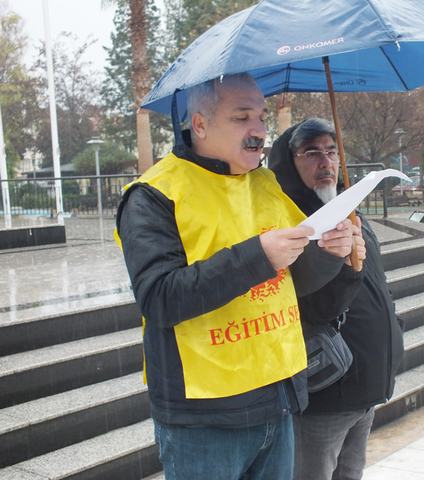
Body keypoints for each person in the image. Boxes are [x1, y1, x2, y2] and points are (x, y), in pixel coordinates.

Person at [116, 75, 360, 480]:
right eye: (242, 117)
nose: (260, 130)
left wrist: (331, 253)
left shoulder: (264, 183)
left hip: (278, 398)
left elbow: (295, 279)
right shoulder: (153, 195)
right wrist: (257, 256)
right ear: (199, 124)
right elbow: (159, 298)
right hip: (206, 417)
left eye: (262, 117)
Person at [269, 118, 405, 480]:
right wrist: (340, 262)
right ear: (288, 161)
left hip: (367, 387)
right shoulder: (288, 224)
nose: (325, 162)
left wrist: (394, 331)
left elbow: (378, 286)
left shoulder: (351, 212)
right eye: (311, 153)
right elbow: (314, 306)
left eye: (331, 151)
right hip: (327, 391)